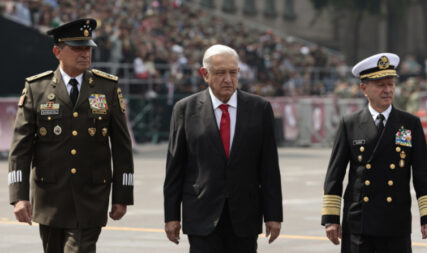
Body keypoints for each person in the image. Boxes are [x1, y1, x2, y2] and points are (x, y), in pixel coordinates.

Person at [8, 18, 134, 253]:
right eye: (77, 48)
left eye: (88, 48)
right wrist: (18, 196)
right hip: (50, 198)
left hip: (91, 197)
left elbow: (122, 147)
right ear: (57, 51)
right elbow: (20, 148)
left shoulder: (107, 88)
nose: (85, 54)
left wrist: (122, 195)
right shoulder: (37, 89)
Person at [163, 44, 283, 252]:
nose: (228, 79)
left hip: (245, 216)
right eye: (220, 73)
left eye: (233, 72)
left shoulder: (259, 108)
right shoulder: (185, 109)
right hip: (201, 215)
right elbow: (175, 167)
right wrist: (171, 216)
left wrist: (273, 215)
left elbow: (269, 167)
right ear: (205, 74)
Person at [321, 52, 427, 253]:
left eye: (391, 84)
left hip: (395, 223)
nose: (388, 90)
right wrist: (331, 219)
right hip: (359, 223)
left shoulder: (409, 124)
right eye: (381, 85)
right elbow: (335, 174)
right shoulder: (350, 123)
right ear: (364, 88)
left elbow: (423, 174)